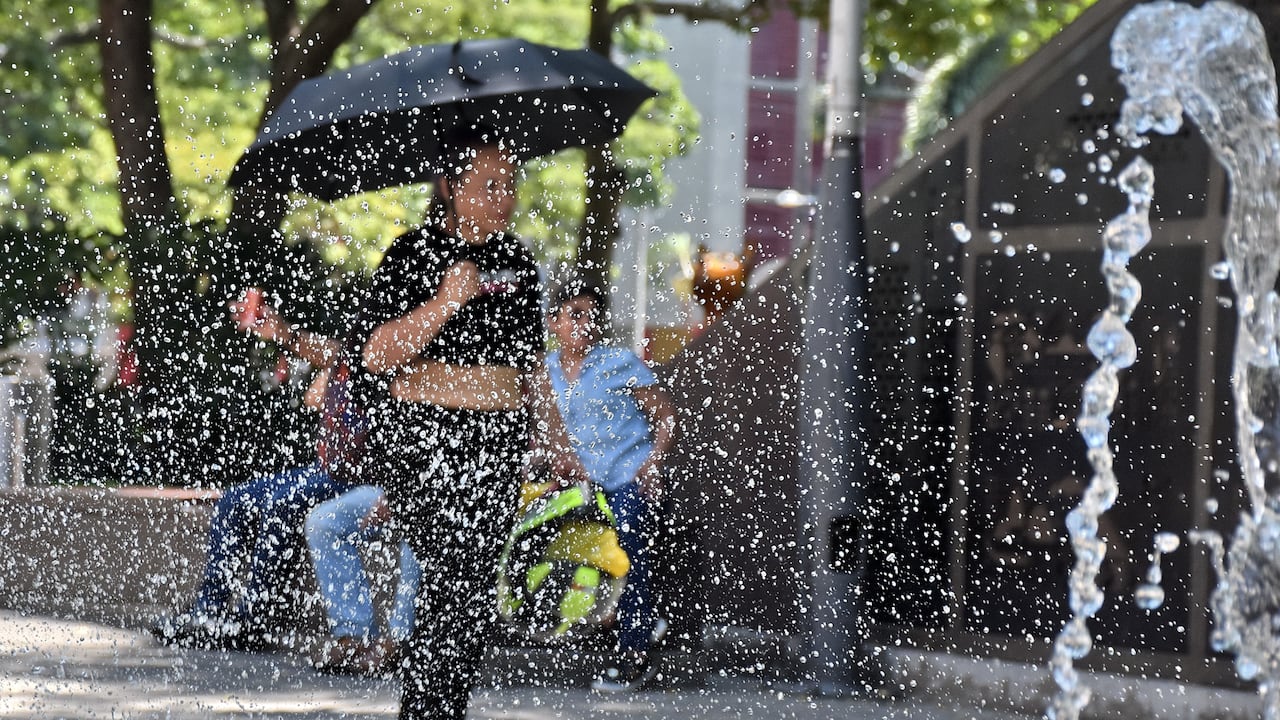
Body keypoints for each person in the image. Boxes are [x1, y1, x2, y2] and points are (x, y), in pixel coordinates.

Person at [348, 126, 582, 720]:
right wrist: (446, 301)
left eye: (510, 184)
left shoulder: (519, 262)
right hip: (426, 443)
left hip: (496, 445)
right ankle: (426, 711)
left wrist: (556, 440)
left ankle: (439, 708)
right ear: (450, 187)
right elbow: (376, 356)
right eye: (488, 185)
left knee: (473, 593)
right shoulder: (411, 253)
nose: (504, 198)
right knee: (448, 579)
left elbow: (529, 369)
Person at [156, 292, 349, 649]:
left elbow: (325, 380)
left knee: (281, 500)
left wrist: (297, 344)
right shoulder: (357, 351)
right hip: (326, 468)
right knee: (233, 501)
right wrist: (286, 337)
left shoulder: (394, 348)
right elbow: (314, 396)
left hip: (357, 475)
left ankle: (255, 619)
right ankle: (209, 611)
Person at [544, 279, 678, 692]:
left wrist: (653, 464)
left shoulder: (620, 361)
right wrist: (555, 458)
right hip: (580, 484)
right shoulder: (544, 368)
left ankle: (633, 656)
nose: (585, 324)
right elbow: (547, 427)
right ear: (555, 322)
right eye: (575, 315)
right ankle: (631, 618)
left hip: (627, 478)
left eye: (591, 316)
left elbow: (666, 417)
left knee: (632, 559)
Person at [306, 485, 420, 674]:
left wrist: (395, 498)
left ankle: (396, 642)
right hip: (391, 489)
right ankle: (355, 634)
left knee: (420, 539)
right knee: (321, 523)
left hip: (431, 499)